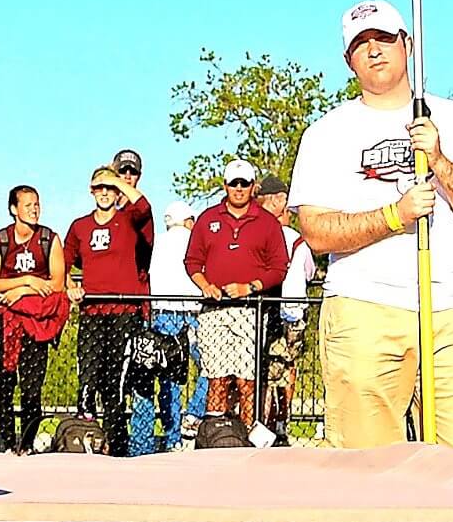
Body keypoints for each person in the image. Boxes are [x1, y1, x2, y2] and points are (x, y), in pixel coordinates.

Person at [291, 0, 453, 449]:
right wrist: (395, 215)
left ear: (407, 45)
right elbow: (315, 231)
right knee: (364, 466)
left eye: (384, 39)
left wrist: (440, 161)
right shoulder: (326, 132)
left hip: (448, 309)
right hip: (363, 307)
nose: (374, 50)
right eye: (361, 44)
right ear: (348, 60)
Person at [187, 160, 290, 431]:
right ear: (225, 185)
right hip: (214, 310)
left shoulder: (267, 222)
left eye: (245, 183)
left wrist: (251, 286)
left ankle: (247, 436)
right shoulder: (208, 218)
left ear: (253, 187)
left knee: (247, 381)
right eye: (234, 183)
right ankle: (217, 436)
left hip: (249, 310)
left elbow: (279, 267)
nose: (239, 188)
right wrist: (205, 285)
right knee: (217, 379)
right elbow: (192, 261)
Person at [64, 165, 154, 455]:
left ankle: (116, 446)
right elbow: (62, 262)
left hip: (124, 312)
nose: (104, 193)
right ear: (91, 191)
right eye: (98, 187)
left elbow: (144, 206)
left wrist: (117, 181)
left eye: (109, 188)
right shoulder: (80, 226)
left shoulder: (128, 220)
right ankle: (84, 436)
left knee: (116, 383)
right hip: (93, 312)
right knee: (89, 378)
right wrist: (70, 286)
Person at [0, 185, 67, 454]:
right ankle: (9, 442)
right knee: (2, 384)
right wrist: (28, 280)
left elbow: (57, 283)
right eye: (28, 204)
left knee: (32, 386)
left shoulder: (49, 239)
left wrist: (22, 291)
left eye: (37, 204)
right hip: (4, 322)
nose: (34, 209)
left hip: (35, 321)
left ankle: (28, 443)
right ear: (13, 209)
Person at [136, 199, 203, 451]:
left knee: (168, 375)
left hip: (162, 312)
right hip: (193, 311)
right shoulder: (194, 239)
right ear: (188, 221)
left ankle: (171, 432)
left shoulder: (158, 243)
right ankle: (194, 413)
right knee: (210, 367)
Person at [258, 174, 316, 441]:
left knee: (265, 371)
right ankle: (282, 421)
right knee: (288, 368)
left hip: (268, 309)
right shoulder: (296, 241)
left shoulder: (261, 233)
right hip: (293, 311)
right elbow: (309, 273)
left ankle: (263, 421)